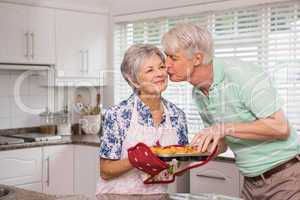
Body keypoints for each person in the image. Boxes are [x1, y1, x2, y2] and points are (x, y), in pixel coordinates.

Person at [161, 23, 300, 200]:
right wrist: (184, 159)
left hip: (287, 177)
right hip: (250, 181)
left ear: (197, 58)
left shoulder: (241, 74)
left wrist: (224, 128)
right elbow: (221, 143)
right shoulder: (198, 92)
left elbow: (280, 127)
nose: (166, 65)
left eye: (173, 57)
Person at [96, 44, 189, 196]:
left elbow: (178, 170)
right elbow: (106, 171)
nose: (160, 74)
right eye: (150, 70)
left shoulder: (177, 115)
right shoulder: (118, 115)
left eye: (161, 67)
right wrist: (135, 160)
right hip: (116, 196)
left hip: (158, 196)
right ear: (134, 80)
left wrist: (195, 156)